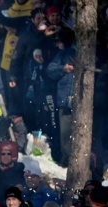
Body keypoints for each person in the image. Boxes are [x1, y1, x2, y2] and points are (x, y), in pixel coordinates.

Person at [46, 31, 75, 167]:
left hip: (78, 101)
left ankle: (72, 160)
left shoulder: (85, 53)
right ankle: (66, 160)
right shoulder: (62, 55)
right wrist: (64, 69)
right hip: (65, 100)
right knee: (65, 133)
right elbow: (50, 70)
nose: (58, 45)